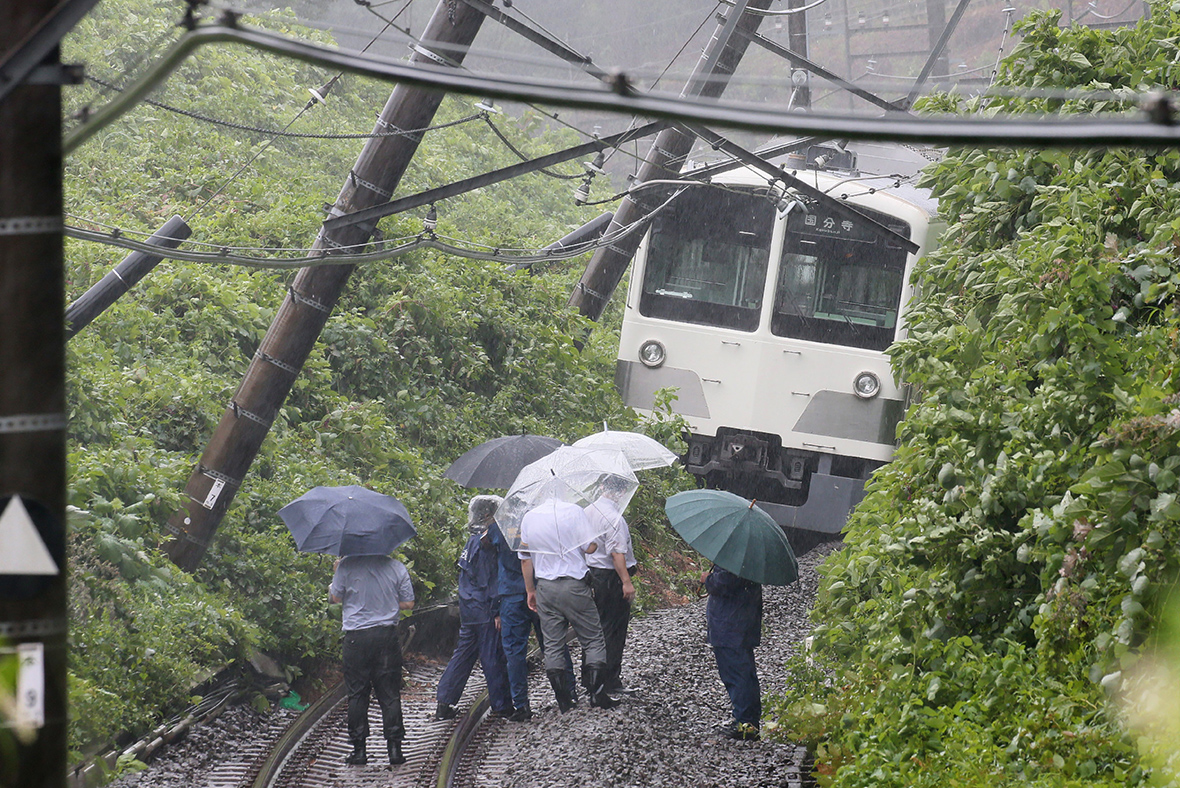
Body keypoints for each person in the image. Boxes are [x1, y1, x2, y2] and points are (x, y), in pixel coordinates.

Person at [519, 499, 620, 712]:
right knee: (593, 639)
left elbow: (525, 560)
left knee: (553, 644)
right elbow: (591, 547)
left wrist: (531, 590)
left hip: (546, 587)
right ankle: (597, 694)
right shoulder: (574, 512)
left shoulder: (529, 518)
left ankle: (564, 700)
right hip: (574, 586)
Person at [488, 504, 577, 721]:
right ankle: (568, 694)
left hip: (510, 595)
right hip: (540, 589)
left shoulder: (498, 527)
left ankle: (522, 706)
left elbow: (491, 555)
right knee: (554, 642)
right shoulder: (539, 523)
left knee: (514, 652)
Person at [329, 553, 415, 766]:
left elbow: (335, 599)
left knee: (357, 694)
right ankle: (394, 749)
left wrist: (336, 573)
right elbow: (408, 603)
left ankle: (359, 751)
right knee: (389, 693)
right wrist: (385, 597)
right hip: (386, 638)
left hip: (356, 639)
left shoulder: (346, 566)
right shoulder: (396, 567)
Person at [434, 496, 513, 720]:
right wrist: (497, 610)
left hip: (468, 606)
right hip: (484, 607)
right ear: (489, 515)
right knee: (492, 656)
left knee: (464, 654)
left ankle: (444, 700)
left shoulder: (472, 540)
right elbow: (490, 580)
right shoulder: (486, 544)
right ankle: (502, 704)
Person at [584, 479, 637, 694]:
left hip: (591, 575)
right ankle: (608, 681)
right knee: (613, 630)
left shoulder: (586, 512)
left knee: (594, 628)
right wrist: (626, 582)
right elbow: (616, 554)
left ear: (603, 487)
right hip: (610, 579)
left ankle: (590, 678)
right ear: (622, 491)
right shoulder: (614, 518)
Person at [703, 562, 763, 741]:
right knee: (744, 672)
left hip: (731, 623)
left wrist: (708, 579)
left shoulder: (737, 557)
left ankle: (746, 723)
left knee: (737, 673)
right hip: (742, 619)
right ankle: (748, 721)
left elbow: (726, 582)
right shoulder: (750, 553)